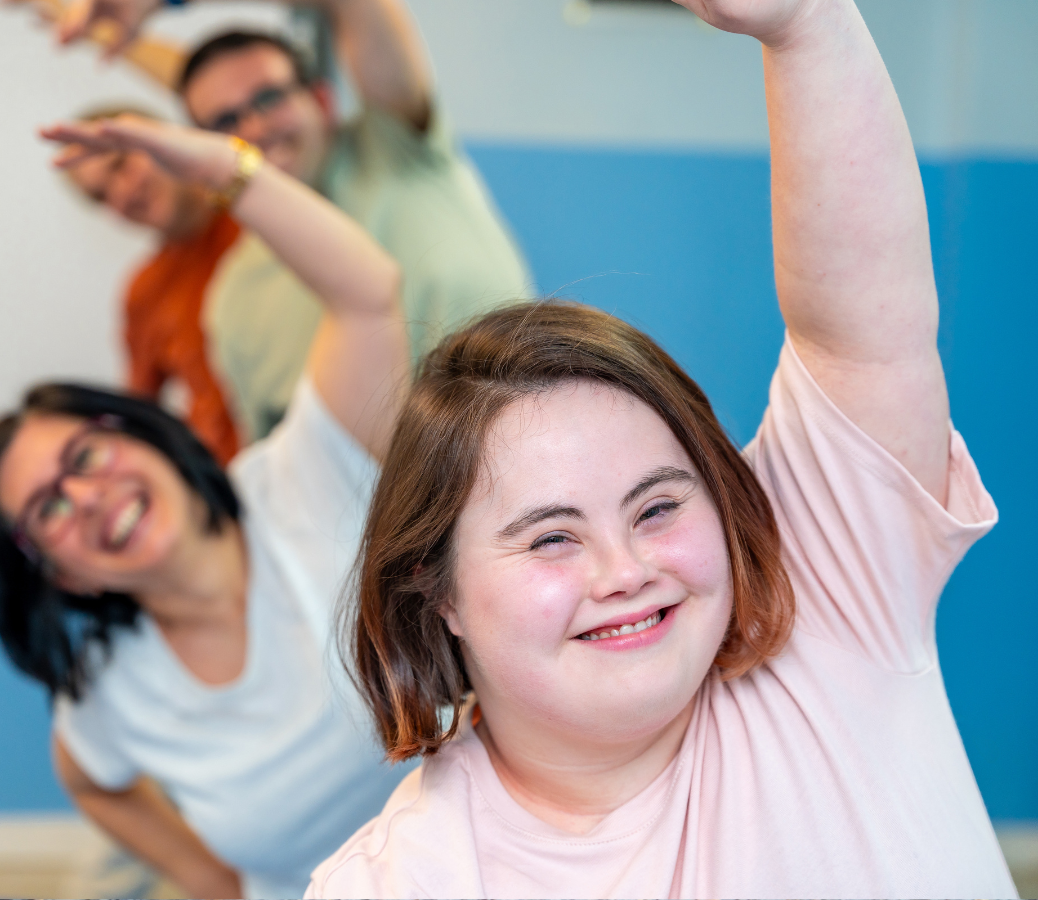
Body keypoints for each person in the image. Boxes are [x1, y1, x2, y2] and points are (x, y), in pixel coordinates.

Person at [307, 0, 1019, 897]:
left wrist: (805, 24)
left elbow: (857, 339)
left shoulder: (833, 605)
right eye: (551, 538)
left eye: (657, 507)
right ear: (437, 591)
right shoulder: (398, 881)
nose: (626, 569)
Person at [0, 116, 413, 899]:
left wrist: (225, 169)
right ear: (60, 573)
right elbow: (92, 780)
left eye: (85, 457)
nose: (87, 498)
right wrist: (213, 882)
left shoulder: (306, 470)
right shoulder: (107, 690)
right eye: (47, 510)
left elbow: (368, 294)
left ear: (144, 436)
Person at [32, 0, 533, 439]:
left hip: (535, 445)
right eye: (226, 122)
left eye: (269, 99)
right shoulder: (233, 302)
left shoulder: (396, 150)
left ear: (320, 98)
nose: (253, 127)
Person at [63, 106, 244, 463]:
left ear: (164, 140)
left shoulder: (261, 212)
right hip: (234, 479)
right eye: (100, 196)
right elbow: (138, 416)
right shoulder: (145, 291)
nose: (123, 194)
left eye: (120, 165)